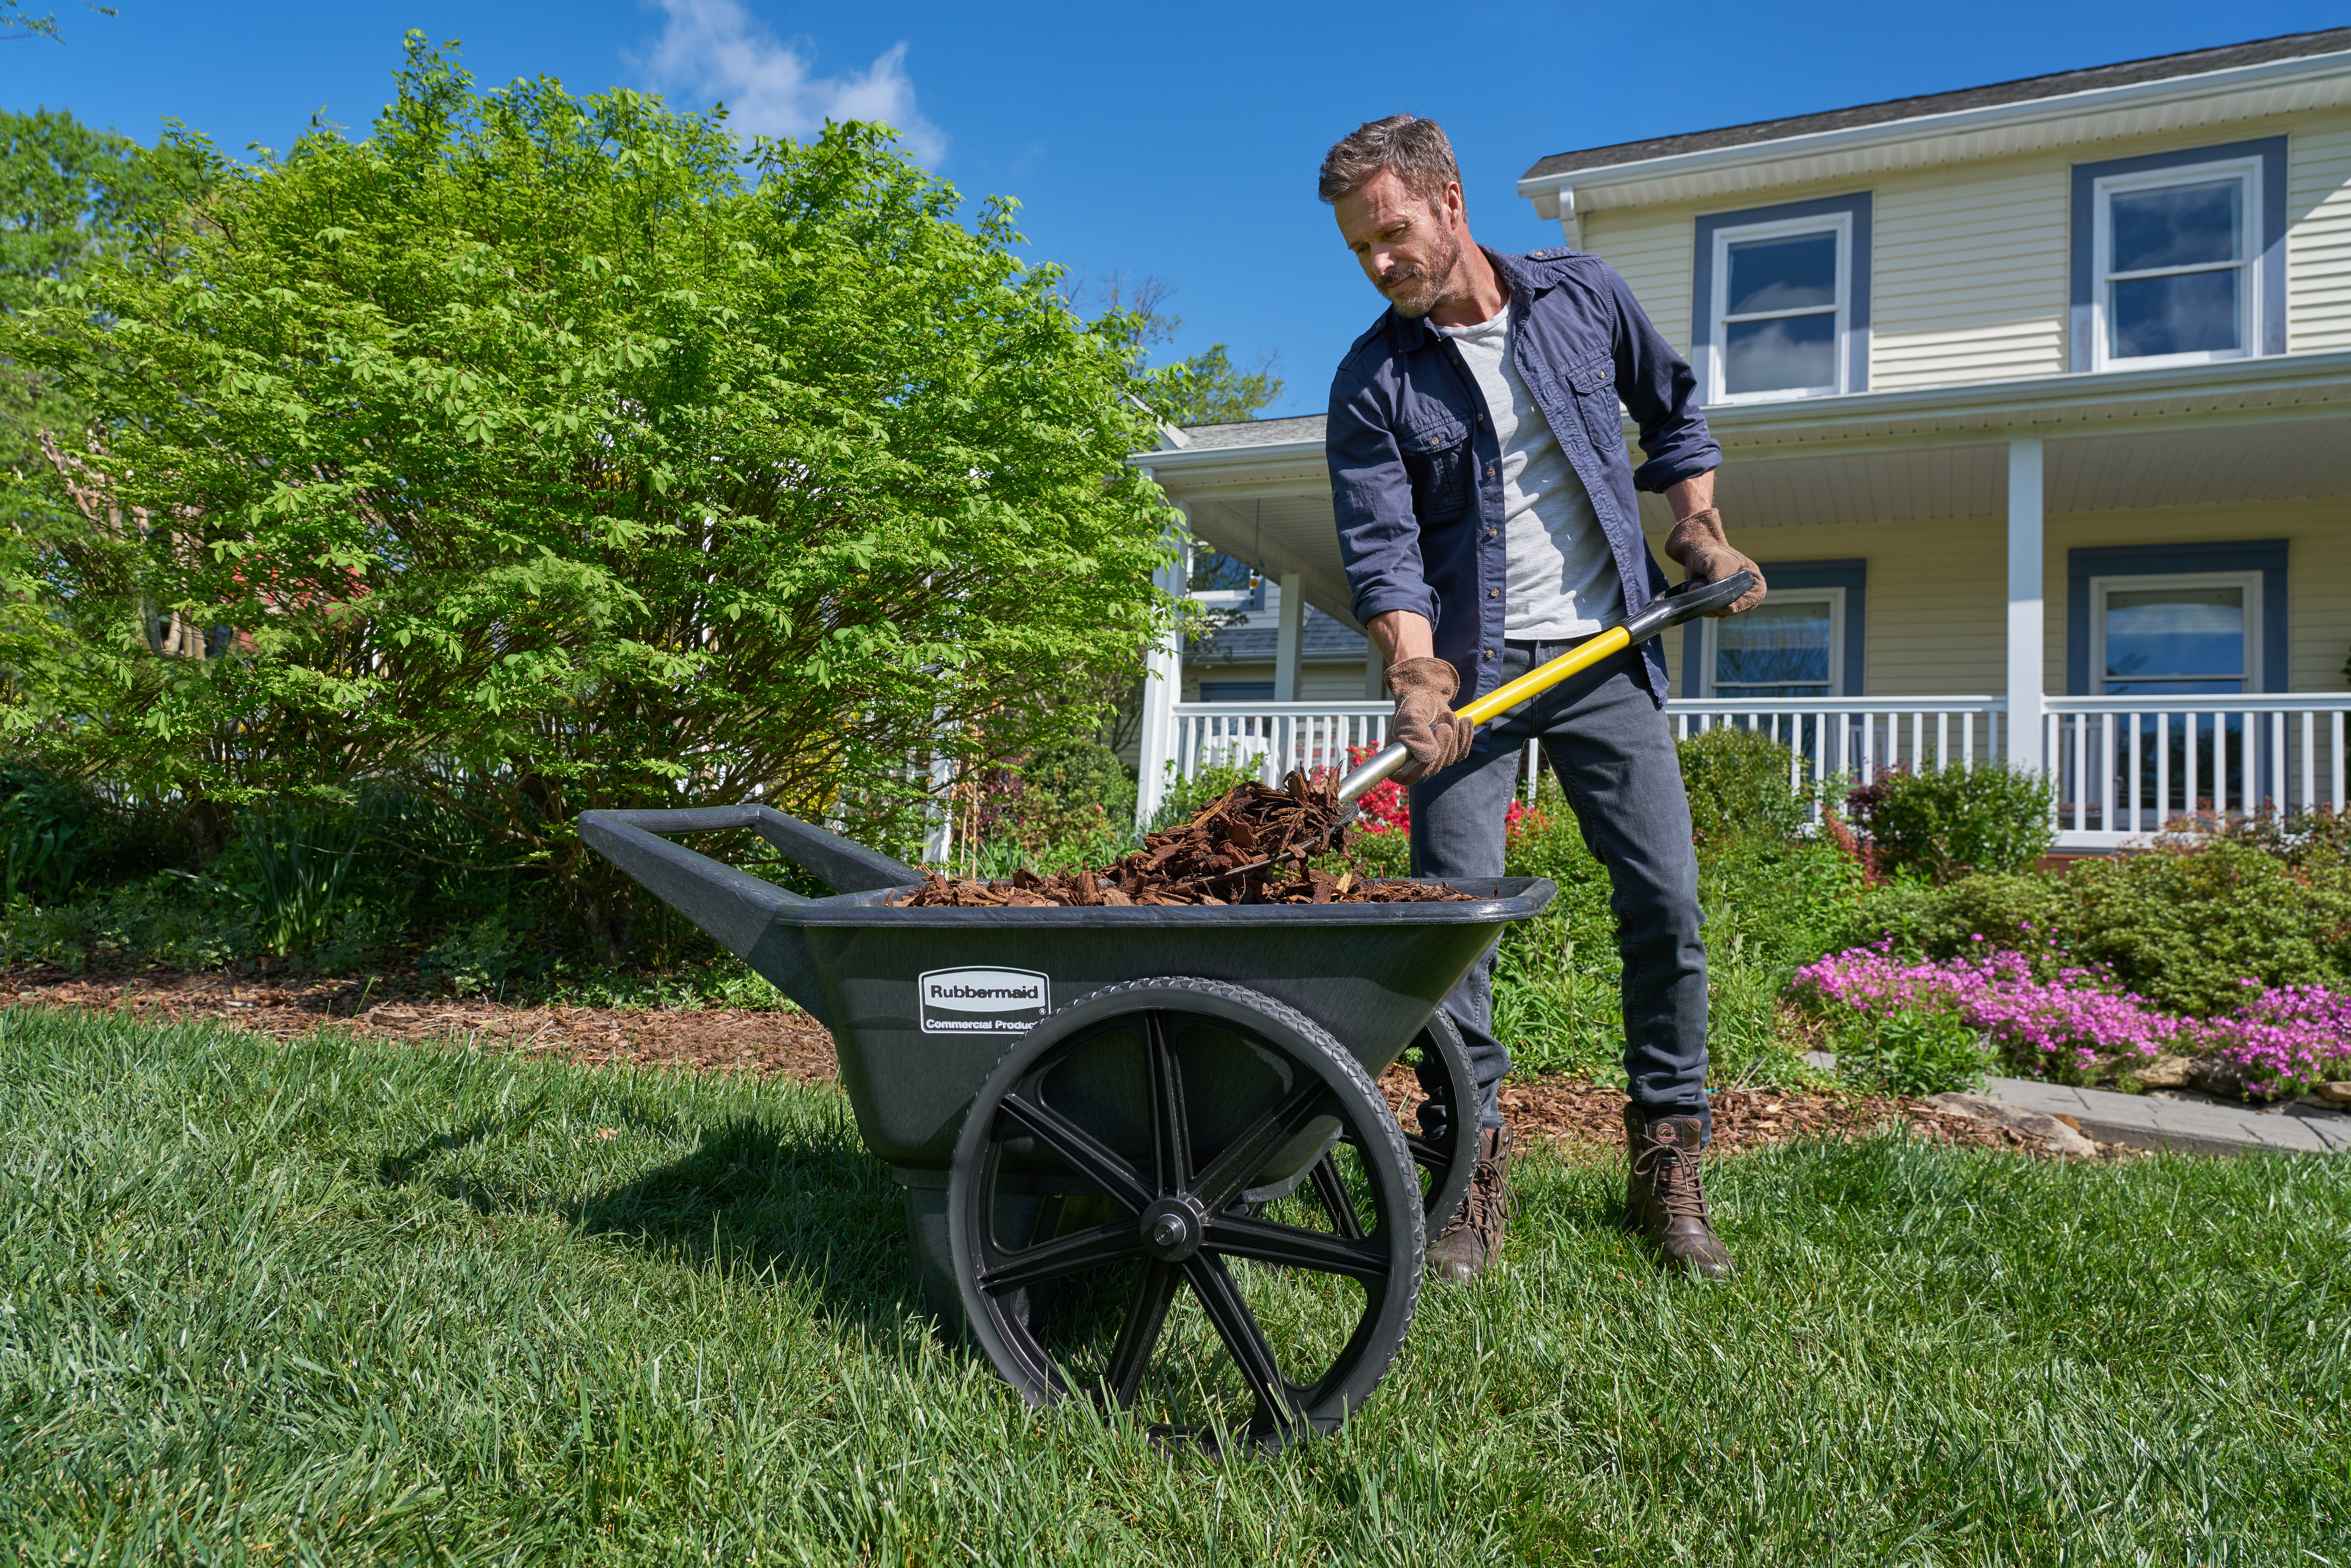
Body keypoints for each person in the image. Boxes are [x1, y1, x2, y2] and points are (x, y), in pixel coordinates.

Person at [1319, 115, 1767, 1282]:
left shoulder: (1581, 298)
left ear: (1448, 204)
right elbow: (1384, 555)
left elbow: (1672, 413)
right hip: (1472, 680)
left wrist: (1697, 531)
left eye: (1391, 234)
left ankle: (1667, 1166)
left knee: (1663, 904)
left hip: (1604, 654)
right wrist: (1417, 678)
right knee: (1450, 929)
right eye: (1360, 249)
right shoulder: (1372, 381)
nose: (1379, 263)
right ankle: (1466, 1170)